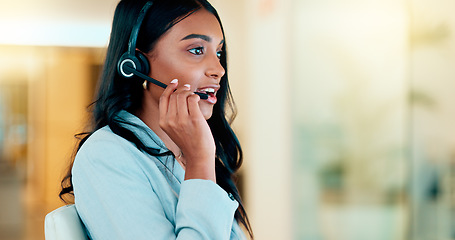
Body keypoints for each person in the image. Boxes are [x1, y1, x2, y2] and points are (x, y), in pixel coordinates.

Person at [58, 0, 253, 239]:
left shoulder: (184, 151)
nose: (218, 69)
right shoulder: (106, 155)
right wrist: (200, 160)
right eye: (196, 50)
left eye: (219, 52)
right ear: (137, 64)